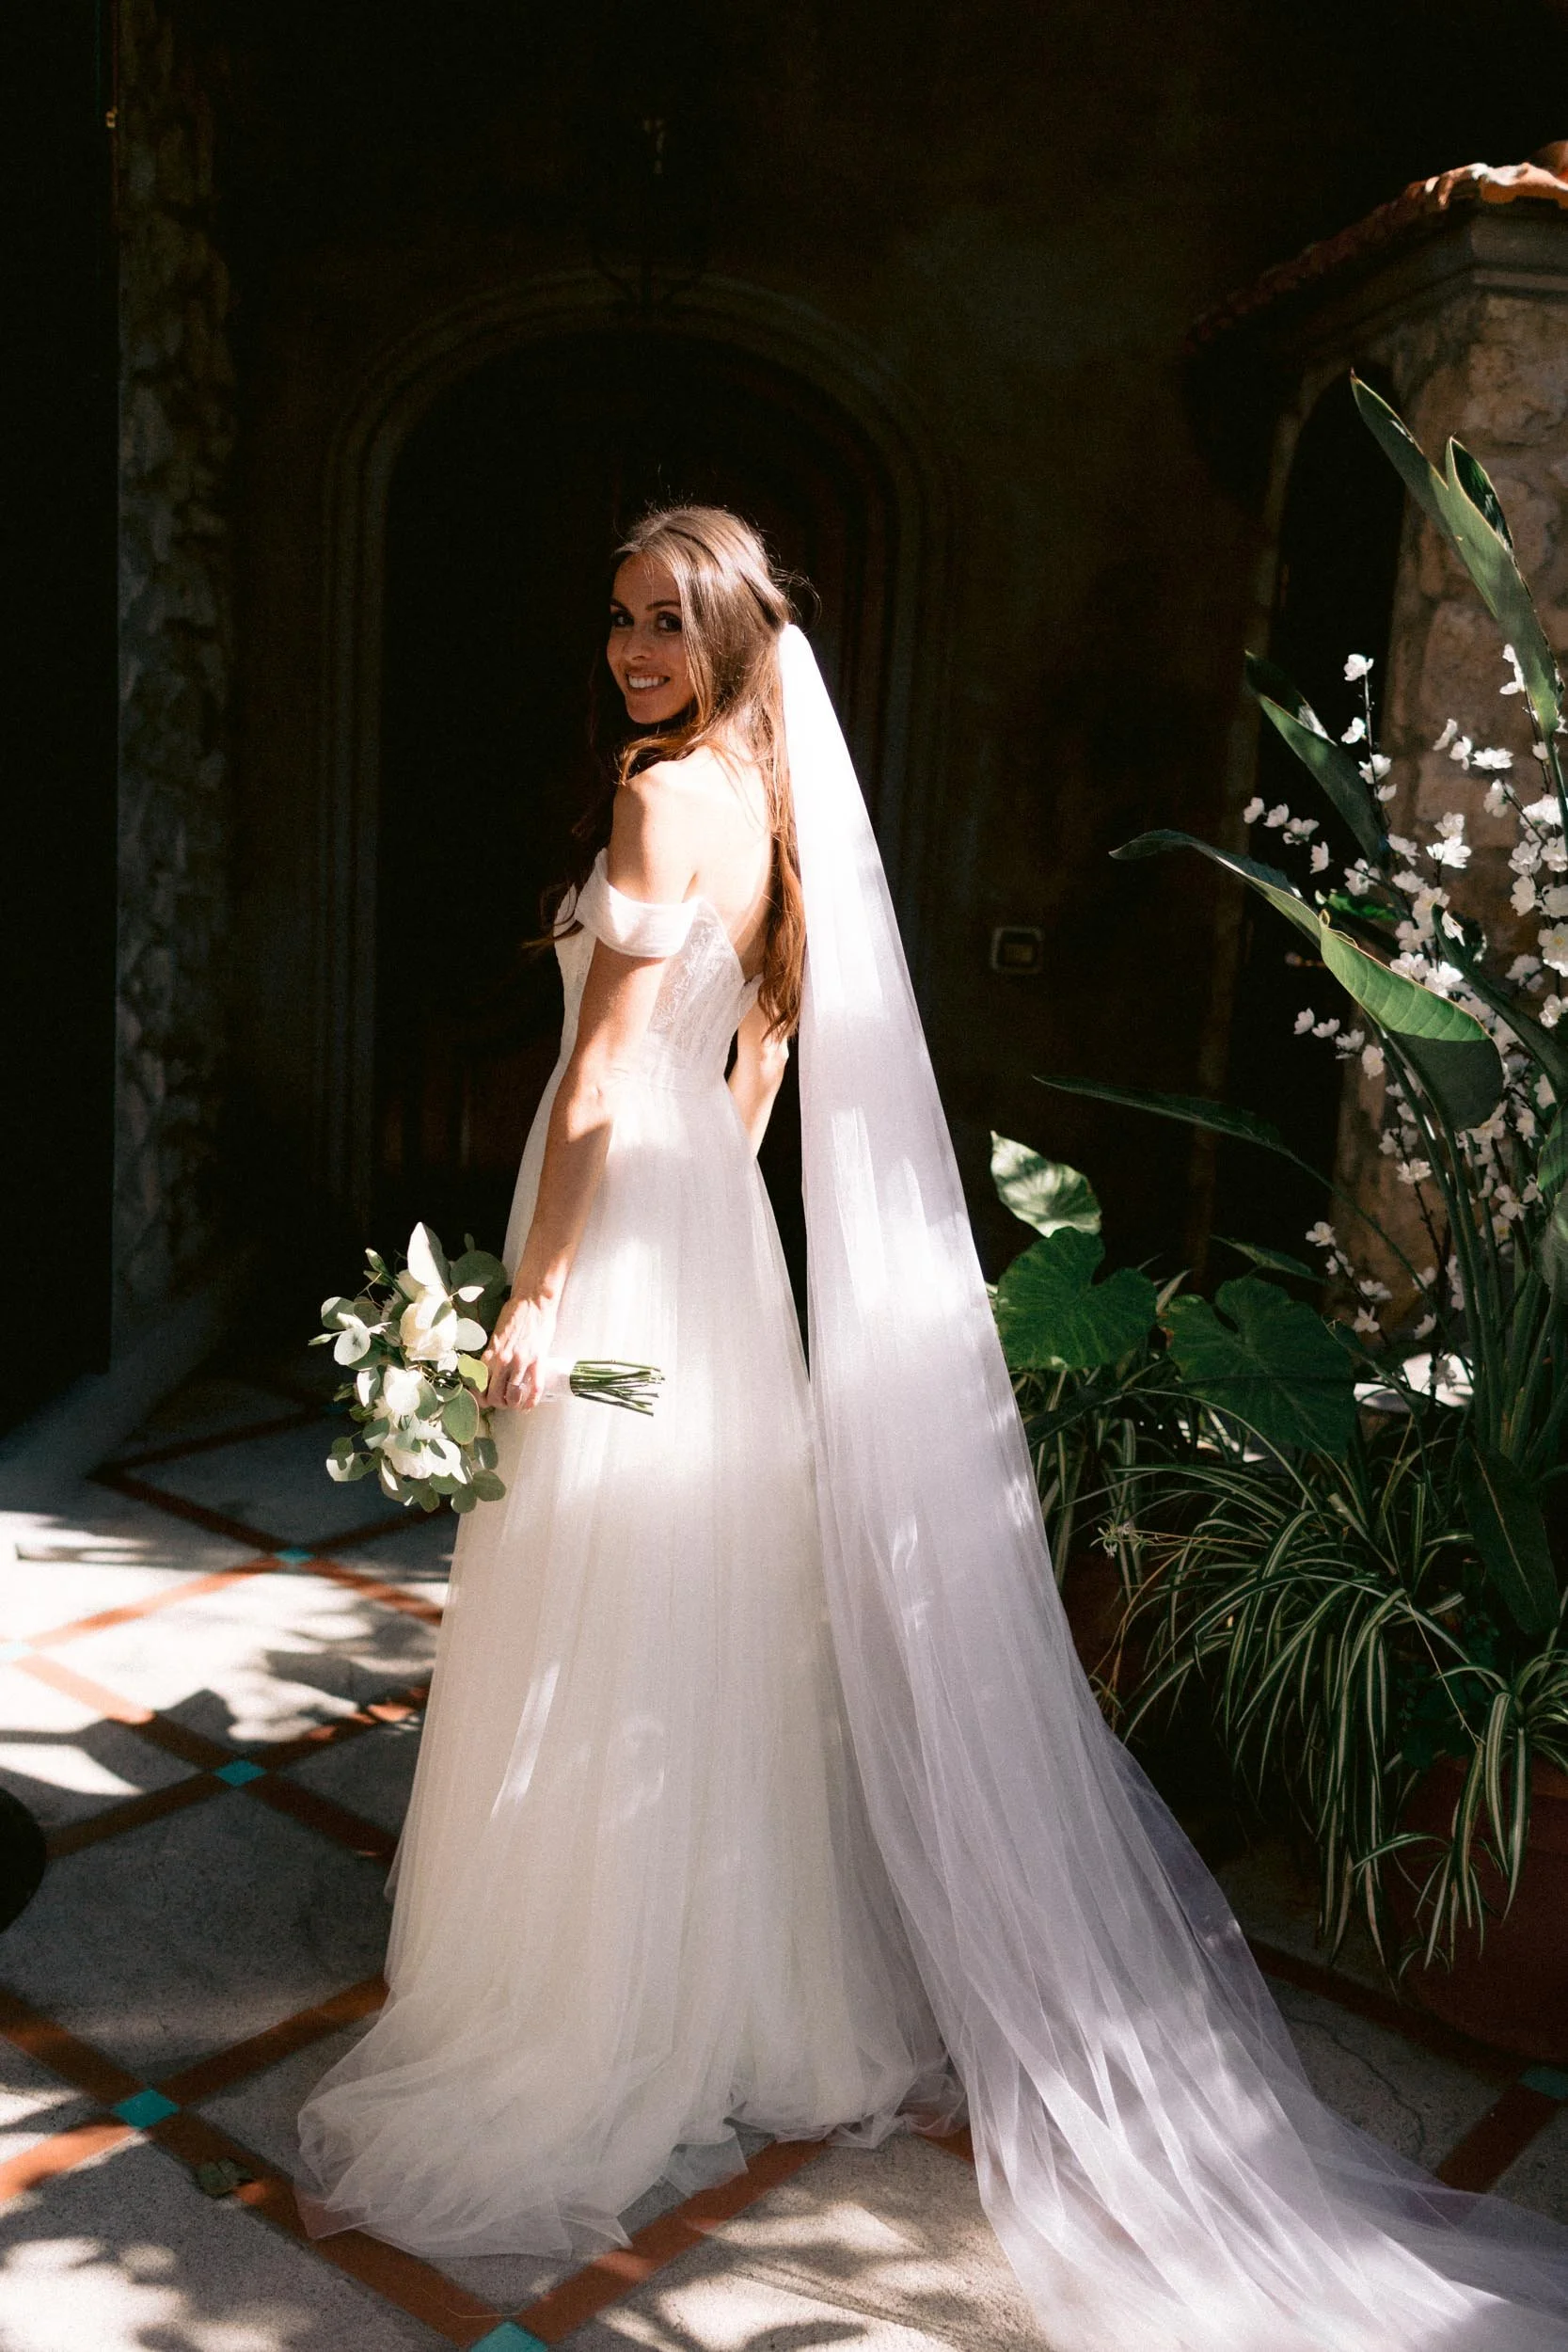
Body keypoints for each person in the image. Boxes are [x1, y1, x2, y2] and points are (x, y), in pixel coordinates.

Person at [300, 506, 1568, 2349]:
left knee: (588, 1560)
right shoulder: (777, 801)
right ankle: (722, 1980)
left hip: (614, 1258)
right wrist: (702, 1199)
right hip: (708, 1258)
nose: (634, 654)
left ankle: (579, 1995)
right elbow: (762, 1048)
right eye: (617, 621)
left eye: (669, 623)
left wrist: (547, 1293)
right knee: (690, 1581)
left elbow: (590, 1073)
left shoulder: (663, 792)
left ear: (734, 635)